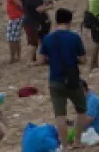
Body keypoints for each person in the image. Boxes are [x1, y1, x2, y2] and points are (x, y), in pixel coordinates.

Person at [38, 8, 88, 149]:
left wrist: (53, 61)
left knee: (60, 115)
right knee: (81, 110)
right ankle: (77, 141)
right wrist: (74, 59)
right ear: (70, 21)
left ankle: (64, 146)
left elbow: (41, 60)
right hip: (72, 79)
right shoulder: (74, 37)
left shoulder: (48, 38)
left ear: (56, 20)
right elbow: (84, 60)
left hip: (55, 80)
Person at [4, 0, 24, 64]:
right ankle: (17, 56)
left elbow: (18, 2)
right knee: (15, 38)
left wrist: (24, 10)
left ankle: (13, 57)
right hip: (15, 17)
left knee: (12, 38)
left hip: (16, 17)